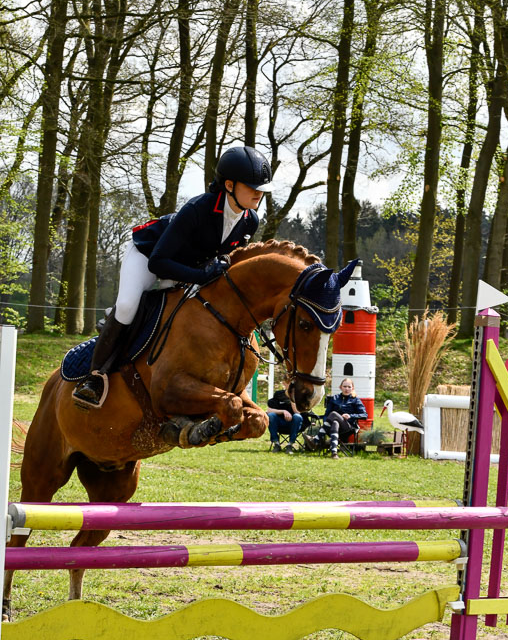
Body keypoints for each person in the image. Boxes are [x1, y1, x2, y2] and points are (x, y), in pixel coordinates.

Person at [73, 146, 273, 408]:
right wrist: (200, 275)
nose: (259, 193)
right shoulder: (198, 209)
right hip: (149, 254)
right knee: (127, 306)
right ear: (229, 185)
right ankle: (94, 377)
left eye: (261, 188)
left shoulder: (251, 220)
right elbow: (159, 262)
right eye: (252, 187)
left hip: (187, 265)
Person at [304, 378, 367, 459]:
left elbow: (364, 415)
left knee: (333, 414)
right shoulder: (334, 398)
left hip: (348, 427)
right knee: (335, 423)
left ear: (352, 388)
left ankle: (316, 440)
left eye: (349, 387)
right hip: (332, 427)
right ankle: (334, 453)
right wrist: (326, 422)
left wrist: (351, 416)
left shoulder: (355, 400)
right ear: (340, 387)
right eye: (344, 386)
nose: (347, 389)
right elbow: (326, 415)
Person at [267, 384, 306, 454]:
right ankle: (276, 444)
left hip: (295, 424)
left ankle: (290, 445)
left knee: (297, 416)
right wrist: (283, 411)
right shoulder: (279, 394)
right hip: (280, 423)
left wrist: (292, 399)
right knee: (271, 415)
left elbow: (298, 412)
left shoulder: (301, 397)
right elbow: (269, 410)